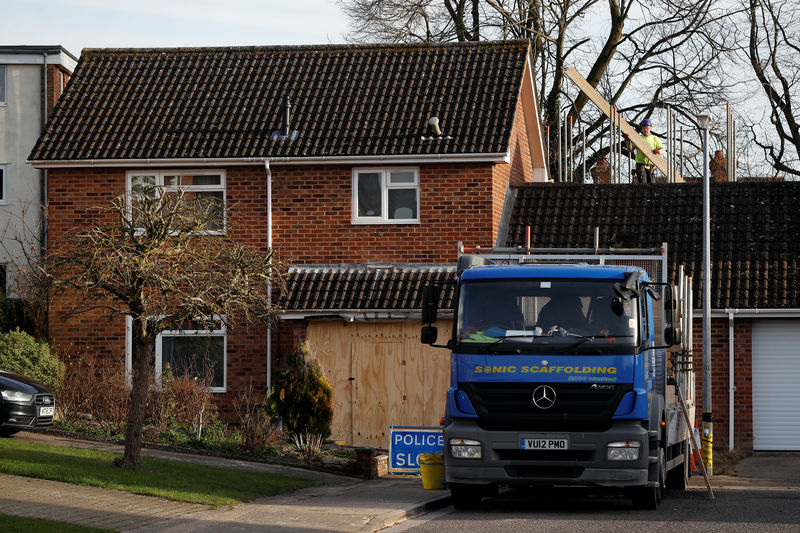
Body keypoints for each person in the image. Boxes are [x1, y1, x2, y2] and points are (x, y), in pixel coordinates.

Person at [634, 118, 663, 184]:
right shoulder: (638, 138)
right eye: (644, 128)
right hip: (641, 165)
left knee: (652, 185)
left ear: (650, 128)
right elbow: (630, 149)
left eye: (647, 128)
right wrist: (628, 141)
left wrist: (658, 151)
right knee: (642, 185)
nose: (645, 130)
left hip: (651, 166)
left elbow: (662, 150)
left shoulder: (654, 139)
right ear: (642, 128)